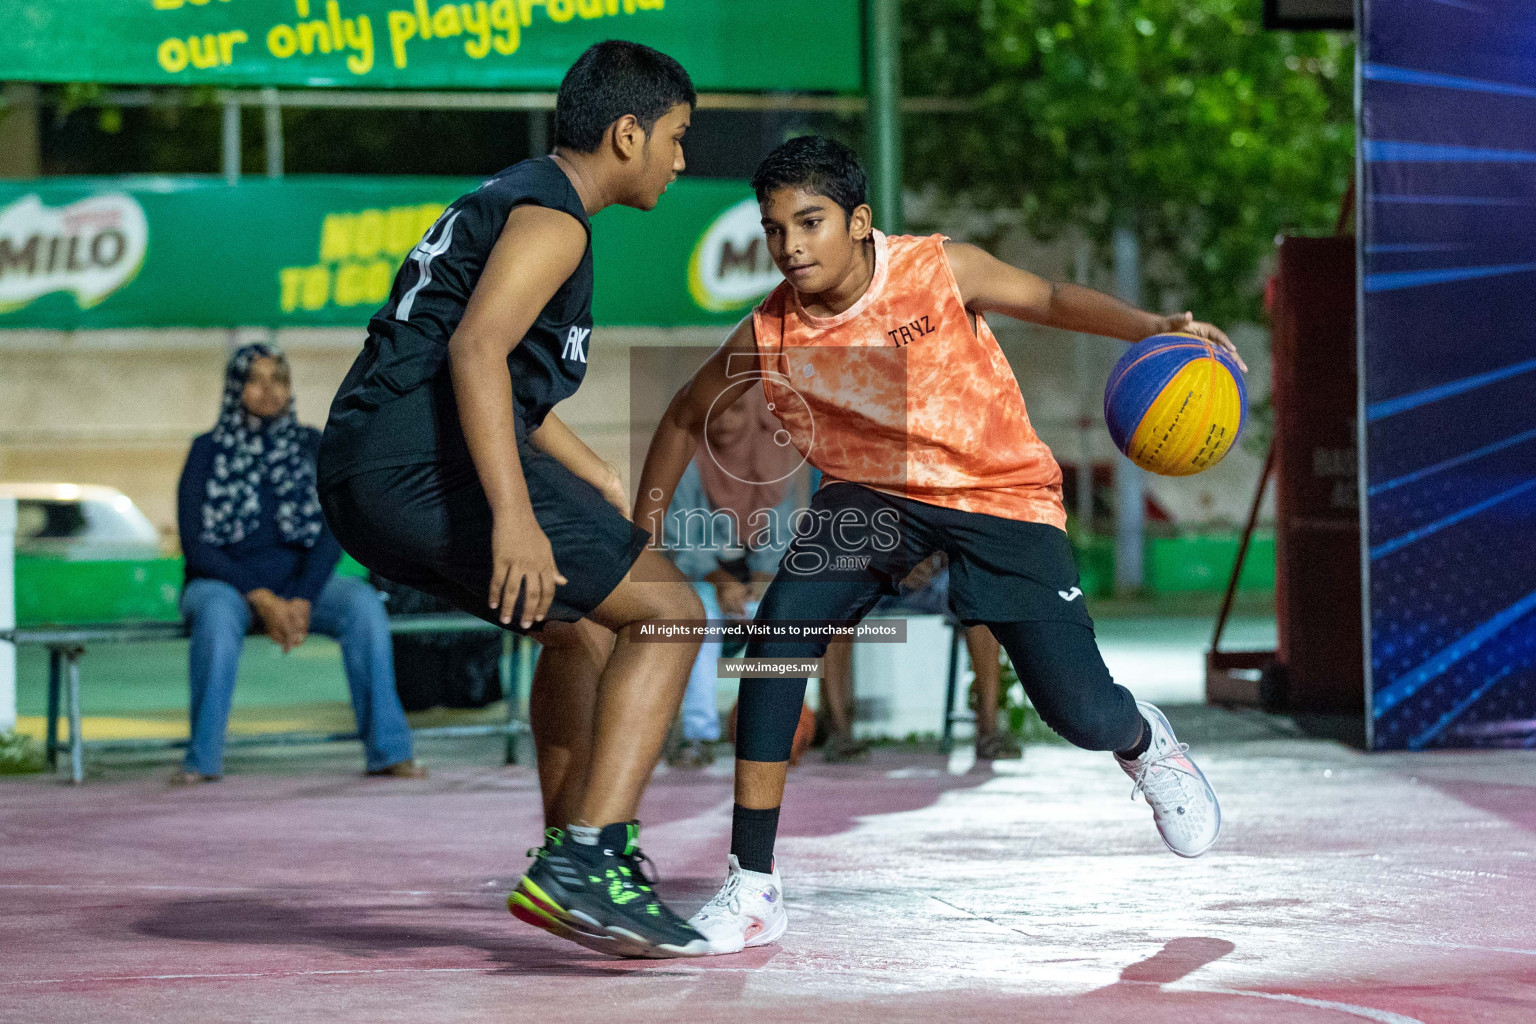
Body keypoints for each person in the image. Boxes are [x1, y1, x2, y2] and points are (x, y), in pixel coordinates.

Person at [635, 136, 1243, 954]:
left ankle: (1143, 741)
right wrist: (645, 521)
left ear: (859, 221)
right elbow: (681, 414)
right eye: (775, 229)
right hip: (874, 495)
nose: (791, 246)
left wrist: (1156, 327)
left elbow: (1055, 299)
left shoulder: (939, 269)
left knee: (1078, 711)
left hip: (1000, 494)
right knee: (780, 632)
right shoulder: (770, 333)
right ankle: (751, 884)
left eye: (810, 223)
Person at [316, 41, 708, 958]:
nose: (682, 159)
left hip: (365, 469)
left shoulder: (516, 198)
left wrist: (589, 474)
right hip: (414, 462)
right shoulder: (555, 219)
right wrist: (518, 517)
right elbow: (476, 353)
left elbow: (490, 376)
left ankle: (567, 861)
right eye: (678, 138)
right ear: (626, 132)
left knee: (578, 627)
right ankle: (589, 858)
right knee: (671, 613)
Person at [175, 342, 423, 784]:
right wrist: (263, 597)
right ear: (235, 388)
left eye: (279, 379)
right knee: (213, 616)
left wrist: (303, 596)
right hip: (224, 583)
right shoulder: (206, 451)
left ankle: (389, 750)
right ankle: (202, 760)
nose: (269, 391)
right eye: (255, 379)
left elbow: (335, 529)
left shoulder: (311, 445)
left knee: (363, 605)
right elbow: (197, 545)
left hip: (299, 583)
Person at [659, 388, 800, 770]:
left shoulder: (772, 460)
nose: (724, 421)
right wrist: (722, 582)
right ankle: (696, 735)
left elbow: (777, 534)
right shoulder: (688, 458)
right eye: (716, 410)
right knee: (699, 620)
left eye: (736, 410)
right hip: (695, 577)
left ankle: (772, 734)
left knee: (778, 621)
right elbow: (681, 538)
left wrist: (759, 581)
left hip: (752, 579)